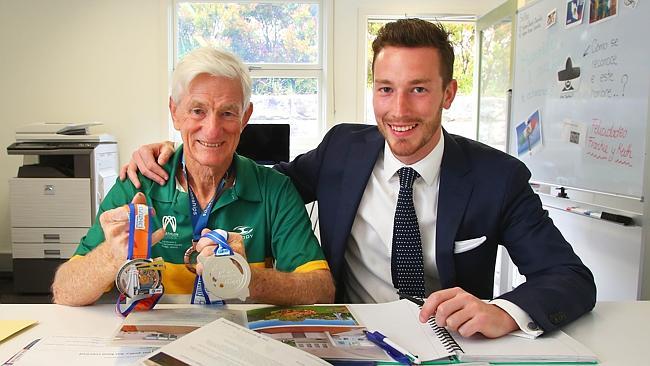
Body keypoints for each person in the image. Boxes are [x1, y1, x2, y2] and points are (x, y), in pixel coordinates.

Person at [121, 19, 596, 338]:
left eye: (420, 90)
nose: (399, 110)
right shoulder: (342, 151)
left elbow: (569, 277)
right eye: (386, 89)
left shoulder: (498, 177)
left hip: (452, 341)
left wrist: (505, 312)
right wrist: (179, 154)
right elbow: (264, 185)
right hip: (351, 336)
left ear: (448, 93)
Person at [52, 47, 335, 307]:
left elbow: (321, 289)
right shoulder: (139, 182)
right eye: (197, 111)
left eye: (227, 113)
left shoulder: (275, 189)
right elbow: (64, 292)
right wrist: (111, 256)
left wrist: (250, 279)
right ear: (175, 113)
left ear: (245, 117)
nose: (212, 130)